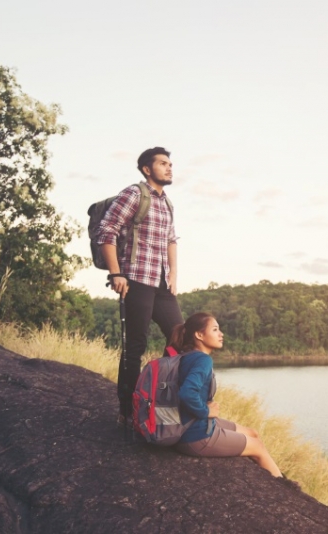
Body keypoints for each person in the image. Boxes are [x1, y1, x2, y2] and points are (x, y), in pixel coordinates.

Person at [96, 147, 183, 425]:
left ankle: (160, 395)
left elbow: (171, 239)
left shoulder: (167, 203)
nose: (169, 168)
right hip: (135, 278)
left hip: (160, 282)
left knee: (180, 338)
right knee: (136, 345)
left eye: (170, 164)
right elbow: (106, 231)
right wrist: (116, 273)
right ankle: (127, 410)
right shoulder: (133, 194)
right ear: (147, 169)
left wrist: (173, 275)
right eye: (162, 163)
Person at [170, 312, 286, 479]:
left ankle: (269, 478)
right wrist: (206, 411)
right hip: (195, 436)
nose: (221, 334)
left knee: (252, 433)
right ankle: (283, 489)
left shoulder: (184, 357)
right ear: (199, 335)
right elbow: (187, 393)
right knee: (258, 447)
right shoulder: (203, 360)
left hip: (187, 427)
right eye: (215, 329)